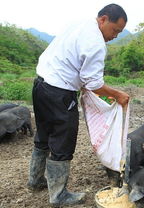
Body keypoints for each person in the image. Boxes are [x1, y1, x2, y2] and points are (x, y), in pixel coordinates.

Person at [26, 4, 129, 207]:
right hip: (59, 92)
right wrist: (117, 94)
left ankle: (35, 181)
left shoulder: (79, 24)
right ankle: (58, 195)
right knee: (63, 141)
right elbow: (93, 82)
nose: (115, 36)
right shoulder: (96, 43)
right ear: (103, 19)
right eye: (115, 30)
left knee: (44, 134)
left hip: (41, 85)